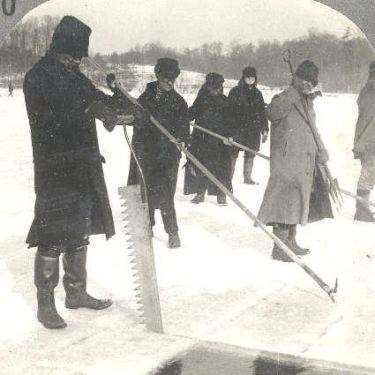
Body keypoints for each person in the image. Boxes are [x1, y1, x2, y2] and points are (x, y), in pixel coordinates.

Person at [23, 16, 142, 329]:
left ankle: (75, 292)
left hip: (84, 164)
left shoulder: (75, 76)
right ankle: (45, 303)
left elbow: (99, 102)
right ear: (59, 48)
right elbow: (50, 118)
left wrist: (118, 99)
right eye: (71, 56)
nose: (75, 61)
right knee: (51, 235)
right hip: (55, 167)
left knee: (79, 232)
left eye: (77, 57)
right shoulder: (38, 76)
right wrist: (91, 110)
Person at [257, 60, 333, 262]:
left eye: (312, 81)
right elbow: (271, 114)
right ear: (298, 79)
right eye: (306, 80)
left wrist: (321, 149)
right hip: (286, 161)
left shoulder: (307, 102)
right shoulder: (284, 98)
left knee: (297, 201)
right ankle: (280, 247)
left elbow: (313, 129)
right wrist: (294, 91)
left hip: (304, 161)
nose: (310, 85)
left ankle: (290, 240)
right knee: (283, 201)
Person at [127, 58, 189, 249]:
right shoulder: (144, 100)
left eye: (173, 79)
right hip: (146, 154)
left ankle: (172, 232)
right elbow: (132, 119)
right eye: (166, 78)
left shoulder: (180, 102)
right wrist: (139, 118)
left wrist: (180, 139)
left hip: (167, 156)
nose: (170, 82)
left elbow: (185, 129)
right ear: (158, 76)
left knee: (166, 195)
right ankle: (147, 227)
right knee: (144, 193)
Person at [184, 72, 232, 206]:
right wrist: (183, 116)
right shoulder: (201, 99)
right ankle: (199, 192)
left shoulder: (224, 100)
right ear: (208, 87)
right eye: (212, 88)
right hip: (201, 139)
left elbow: (230, 121)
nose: (215, 91)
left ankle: (221, 195)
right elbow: (191, 113)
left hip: (219, 142)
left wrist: (228, 136)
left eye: (218, 88)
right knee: (199, 166)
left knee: (220, 169)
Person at [227, 66, 269, 184]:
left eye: (252, 78)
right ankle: (228, 176)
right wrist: (228, 131)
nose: (250, 80)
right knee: (233, 152)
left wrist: (264, 130)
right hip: (237, 128)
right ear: (243, 78)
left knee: (251, 153)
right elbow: (228, 111)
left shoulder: (258, 94)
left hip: (253, 130)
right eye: (248, 77)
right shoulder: (235, 92)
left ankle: (247, 177)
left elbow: (262, 113)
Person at [353, 61, 375, 222]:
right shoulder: (371, 89)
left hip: (366, 140)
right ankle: (362, 211)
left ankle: (363, 208)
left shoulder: (367, 88)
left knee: (369, 174)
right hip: (370, 141)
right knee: (368, 174)